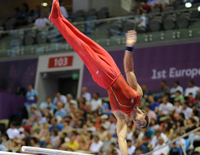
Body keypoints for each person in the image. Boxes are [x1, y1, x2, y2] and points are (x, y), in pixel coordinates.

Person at [49, 1, 149, 154]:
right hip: (114, 68)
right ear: (144, 114)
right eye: (143, 123)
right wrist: (129, 47)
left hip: (105, 79)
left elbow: (121, 139)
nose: (139, 124)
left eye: (140, 126)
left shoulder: (122, 117)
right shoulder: (138, 95)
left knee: (80, 46)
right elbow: (129, 70)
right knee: (86, 41)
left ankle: (56, 19)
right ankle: (60, 17)